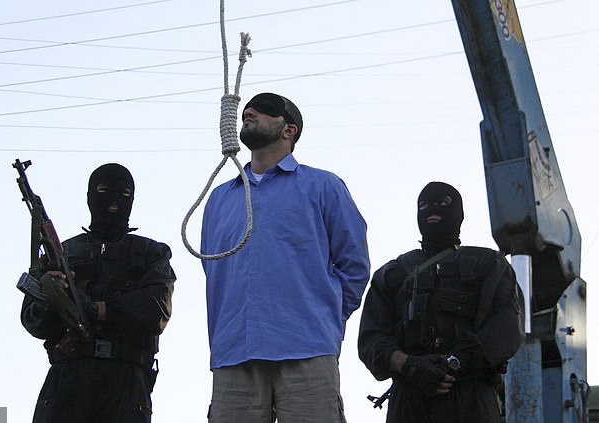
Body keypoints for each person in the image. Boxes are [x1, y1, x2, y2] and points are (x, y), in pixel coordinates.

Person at [201, 92, 371, 423]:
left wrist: (324, 315)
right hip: (234, 354)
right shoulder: (219, 199)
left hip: (306, 350)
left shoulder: (324, 186)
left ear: (288, 129)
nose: (249, 111)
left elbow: (355, 265)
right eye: (248, 109)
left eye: (264, 110)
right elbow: (213, 267)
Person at [20, 163, 176, 423]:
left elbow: (154, 311)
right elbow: (33, 320)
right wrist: (52, 297)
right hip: (67, 381)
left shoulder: (152, 253)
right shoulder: (64, 253)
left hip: (126, 386)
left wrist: (98, 309)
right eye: (104, 191)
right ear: (91, 196)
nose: (114, 202)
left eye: (124, 194)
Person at [358, 181, 525, 423]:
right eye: (424, 205)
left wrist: (454, 363)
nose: (431, 210)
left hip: (471, 397)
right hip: (409, 400)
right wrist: (410, 366)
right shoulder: (392, 273)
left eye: (442, 203)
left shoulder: (490, 264)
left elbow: (506, 328)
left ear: (458, 211)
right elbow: (371, 340)